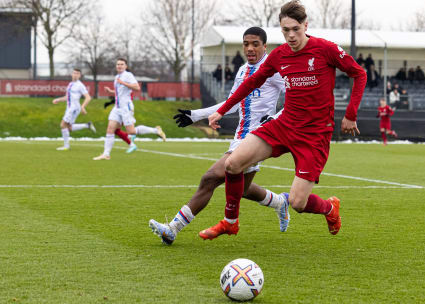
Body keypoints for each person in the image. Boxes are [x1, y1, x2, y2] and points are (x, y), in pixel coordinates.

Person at [202, 0, 367, 239]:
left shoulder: (325, 49)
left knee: (299, 203)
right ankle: (230, 222)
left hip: (314, 135)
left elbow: (359, 73)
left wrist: (350, 114)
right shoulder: (279, 55)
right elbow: (252, 82)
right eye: (285, 30)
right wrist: (222, 109)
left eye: (295, 29)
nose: (290, 35)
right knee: (232, 164)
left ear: (305, 25)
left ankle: (329, 208)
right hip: (284, 126)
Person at [147, 27, 290, 245]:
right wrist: (197, 115)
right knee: (241, 189)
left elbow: (294, 97)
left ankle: (173, 229)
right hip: (240, 136)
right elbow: (231, 103)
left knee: (210, 178)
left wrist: (274, 119)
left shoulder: (274, 70)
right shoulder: (242, 70)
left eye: (255, 44)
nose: (250, 48)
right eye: (246, 44)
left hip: (258, 139)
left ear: (264, 46)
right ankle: (280, 202)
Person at [93, 58, 166, 160]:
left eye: (122, 64)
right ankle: (106, 154)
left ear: (126, 66)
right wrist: (111, 91)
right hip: (117, 107)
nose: (119, 66)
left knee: (131, 131)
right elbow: (120, 91)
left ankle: (155, 130)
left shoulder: (128, 75)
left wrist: (123, 83)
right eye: (118, 64)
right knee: (110, 129)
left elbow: (137, 87)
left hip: (126, 107)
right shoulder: (117, 77)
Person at [52, 68, 96, 150]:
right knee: (69, 127)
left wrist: (83, 107)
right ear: (72, 74)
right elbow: (67, 97)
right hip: (69, 108)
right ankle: (87, 125)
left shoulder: (80, 85)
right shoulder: (70, 84)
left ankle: (66, 146)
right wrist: (58, 99)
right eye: (74, 73)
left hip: (74, 108)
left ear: (80, 75)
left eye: (77, 73)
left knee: (62, 125)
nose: (75, 75)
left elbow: (88, 97)